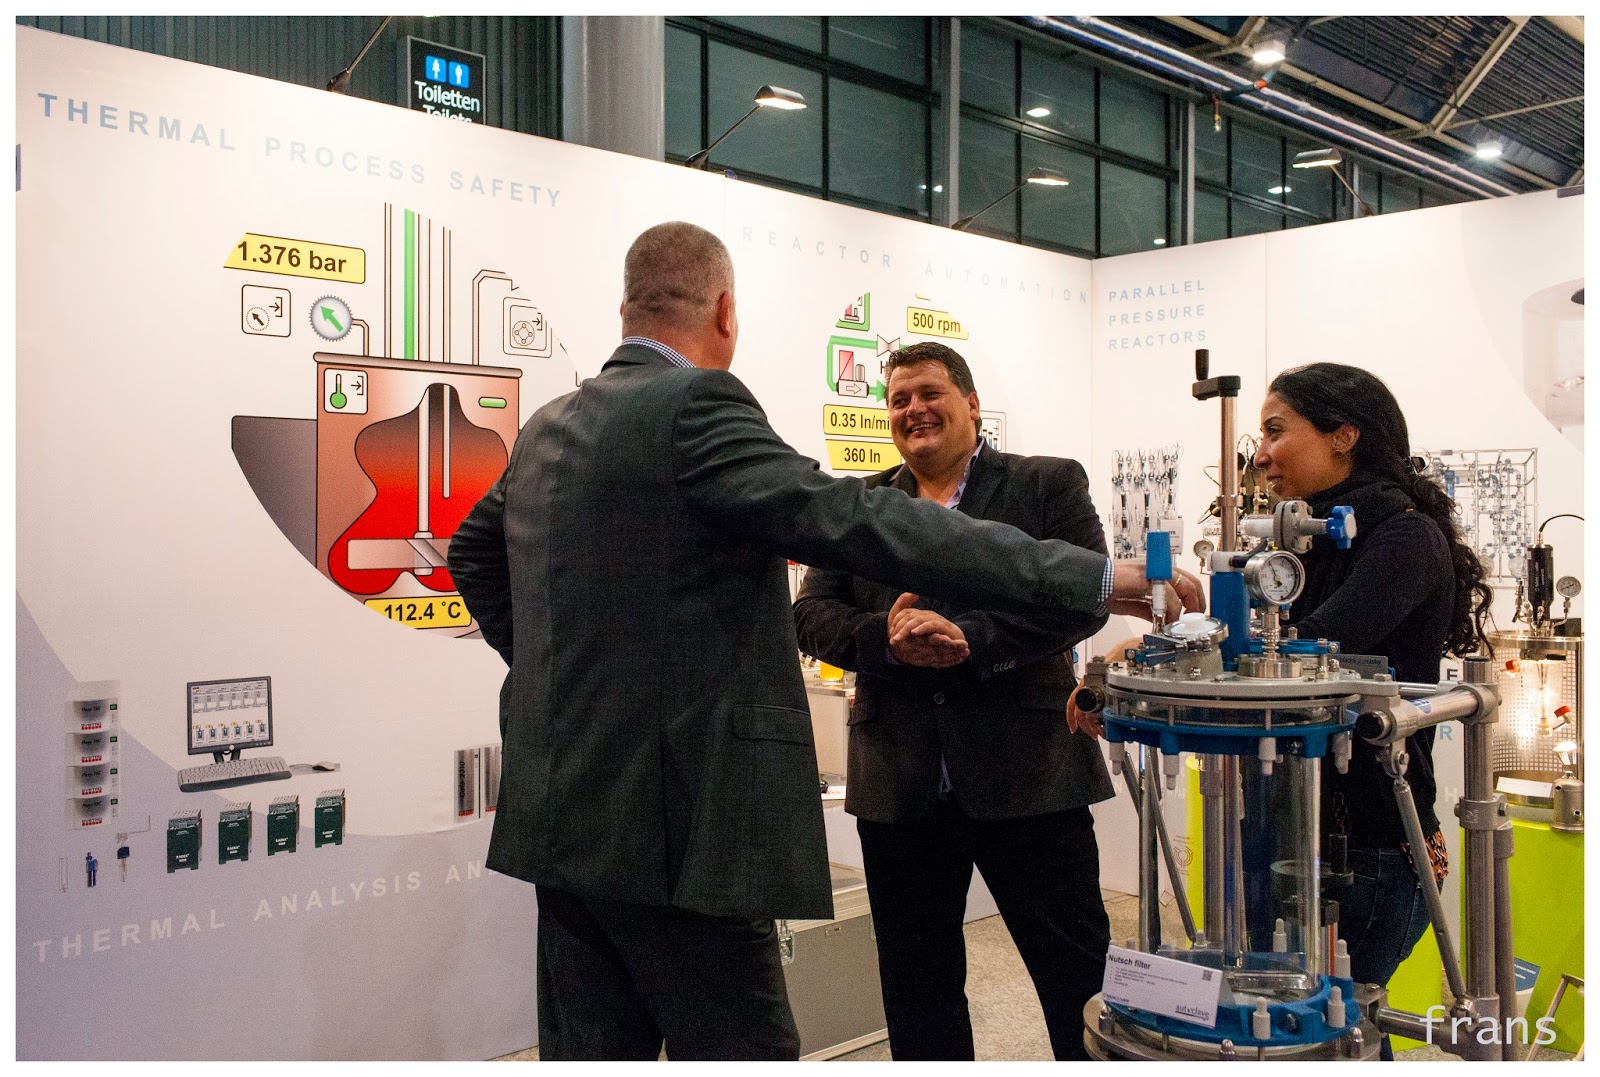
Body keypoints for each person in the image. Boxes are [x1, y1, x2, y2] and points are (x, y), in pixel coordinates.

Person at [446, 221, 1203, 1061]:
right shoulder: (697, 404)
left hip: (564, 813)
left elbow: (472, 552)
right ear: (726, 311)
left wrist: (561, 678)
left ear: (624, 308)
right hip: (684, 820)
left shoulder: (550, 422)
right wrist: (1094, 576)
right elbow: (854, 521)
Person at [792, 341, 1118, 1061]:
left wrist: (973, 640)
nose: (914, 409)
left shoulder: (1047, 484)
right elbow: (811, 614)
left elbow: (1085, 597)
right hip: (899, 784)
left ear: (972, 404)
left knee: (1077, 979)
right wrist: (887, 639)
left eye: (930, 393)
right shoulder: (861, 506)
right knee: (919, 991)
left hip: (1030, 775)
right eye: (899, 399)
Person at [1253, 362, 1491, 1059]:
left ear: (1343, 435)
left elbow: (1310, 655)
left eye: (1275, 431)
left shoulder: (1403, 538)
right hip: (1295, 829)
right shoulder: (1307, 539)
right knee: (1320, 1029)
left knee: (1336, 1033)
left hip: (1374, 846)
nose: (1260, 454)